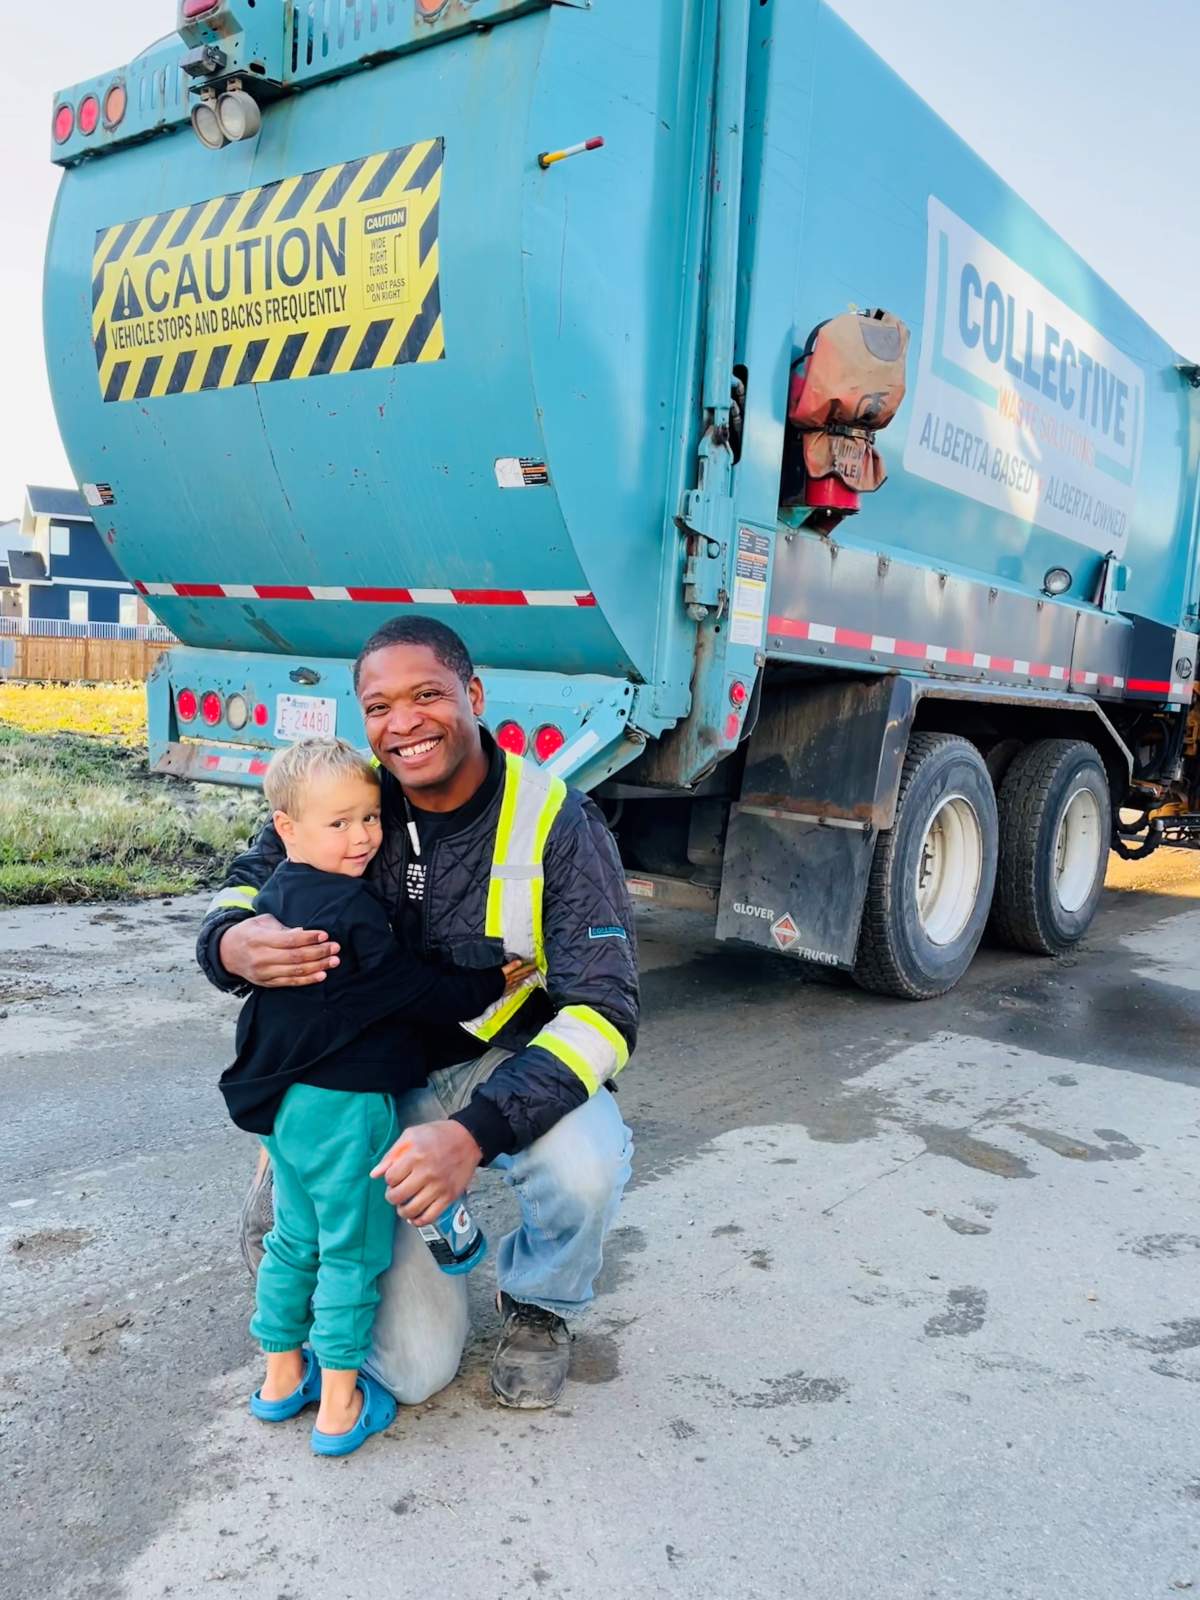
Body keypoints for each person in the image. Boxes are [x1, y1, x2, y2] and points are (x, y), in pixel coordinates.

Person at [198, 616, 637, 1409]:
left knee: (588, 1163)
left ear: (472, 695)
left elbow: (604, 1013)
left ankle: (540, 1304)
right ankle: (313, 1206)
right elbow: (246, 880)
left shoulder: (557, 821)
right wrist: (230, 942)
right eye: (378, 706)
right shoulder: (346, 794)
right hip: (361, 1075)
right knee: (413, 1371)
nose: (402, 723)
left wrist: (473, 1134)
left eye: (427, 694)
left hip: (492, 1059)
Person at [220, 736, 526, 1456]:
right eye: (339, 823)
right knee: (352, 1257)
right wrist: (490, 982)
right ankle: (337, 1407)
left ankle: (279, 1379)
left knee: (293, 1242)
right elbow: (412, 990)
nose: (361, 836)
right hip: (349, 1109)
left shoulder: (275, 897)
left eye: (368, 818)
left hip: (286, 1110)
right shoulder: (353, 912)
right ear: (286, 829)